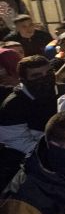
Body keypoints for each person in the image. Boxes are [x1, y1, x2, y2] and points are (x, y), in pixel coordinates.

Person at [0, 55, 58, 189]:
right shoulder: (13, 105)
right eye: (36, 76)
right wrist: (52, 154)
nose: (45, 78)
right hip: (26, 160)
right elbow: (17, 141)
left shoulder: (63, 92)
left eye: (49, 72)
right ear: (23, 80)